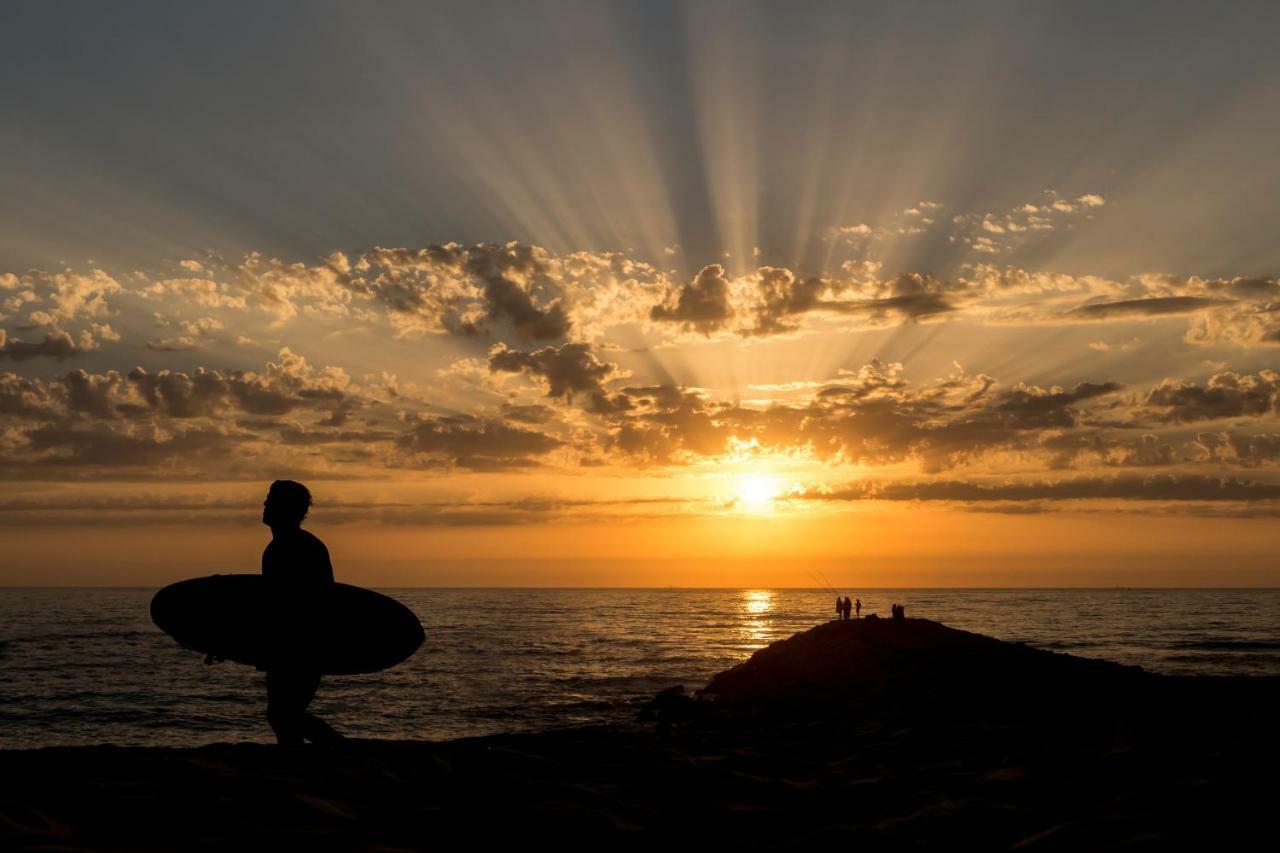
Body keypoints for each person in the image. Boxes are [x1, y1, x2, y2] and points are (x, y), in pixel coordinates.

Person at [261, 479, 342, 746]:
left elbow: (312, 601)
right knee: (282, 716)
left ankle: (340, 749)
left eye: (271, 501)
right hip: (287, 646)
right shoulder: (277, 548)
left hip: (303, 646)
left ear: (288, 509)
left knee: (284, 714)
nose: (264, 505)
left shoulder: (301, 547)